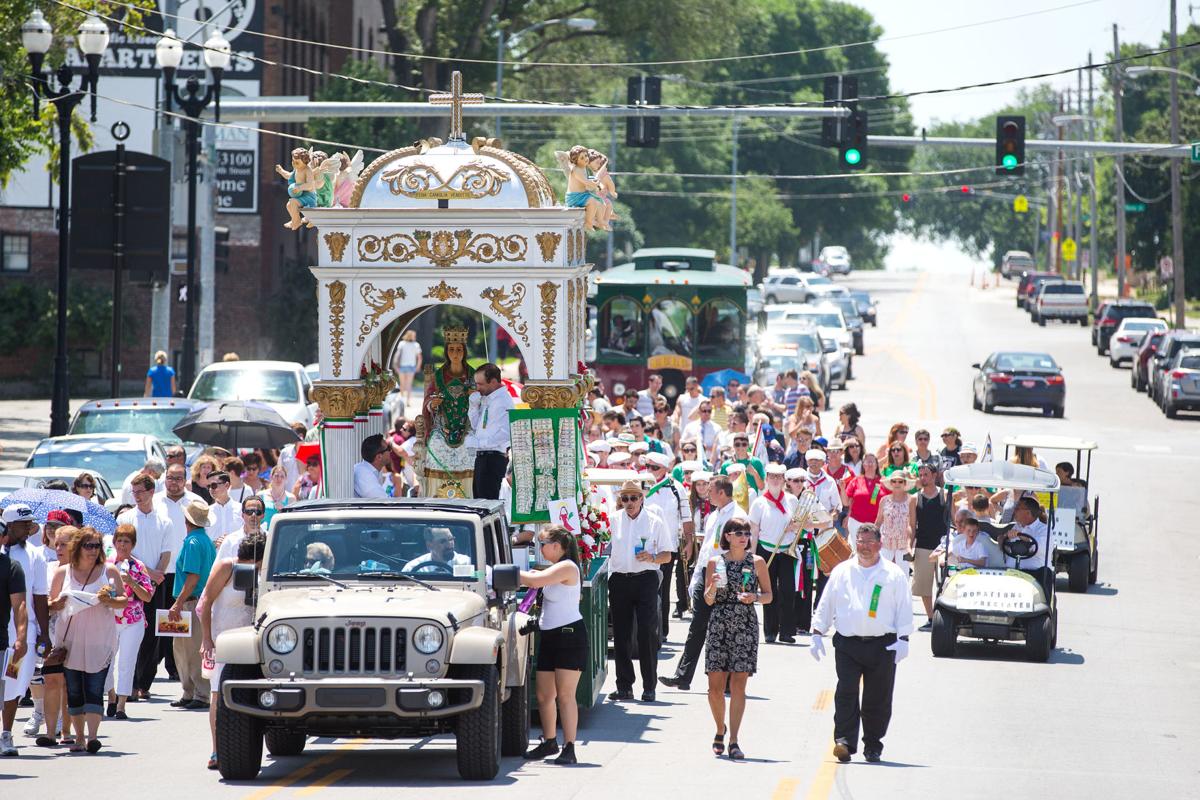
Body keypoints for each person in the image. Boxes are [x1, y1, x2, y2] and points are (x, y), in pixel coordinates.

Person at [810, 523, 913, 764]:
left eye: (869, 542)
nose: (864, 547)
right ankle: (844, 741)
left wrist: (904, 639)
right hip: (848, 643)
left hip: (882, 645)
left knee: (877, 696)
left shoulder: (893, 574)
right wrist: (816, 632)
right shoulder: (842, 571)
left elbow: (904, 607)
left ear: (879, 544)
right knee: (846, 691)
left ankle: (873, 744)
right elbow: (827, 603)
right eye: (860, 541)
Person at [660, 476, 747, 691]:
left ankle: (727, 681)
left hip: (726, 576)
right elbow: (708, 547)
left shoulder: (738, 516)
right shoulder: (713, 515)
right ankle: (683, 676)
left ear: (722, 493)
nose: (707, 493)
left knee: (725, 630)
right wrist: (697, 575)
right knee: (697, 627)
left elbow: (740, 550)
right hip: (706, 573)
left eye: (711, 490)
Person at [47, 526, 127, 753]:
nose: (93, 550)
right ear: (78, 547)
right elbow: (49, 605)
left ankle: (92, 737)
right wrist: (56, 604)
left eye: (97, 546)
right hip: (69, 639)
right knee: (74, 690)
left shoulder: (108, 571)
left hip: (100, 637)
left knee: (94, 687)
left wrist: (109, 600)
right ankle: (79, 737)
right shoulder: (63, 573)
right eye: (88, 545)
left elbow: (123, 600)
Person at [702, 518, 770, 760]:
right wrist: (712, 587)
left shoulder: (757, 562)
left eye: (747, 533)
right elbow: (708, 599)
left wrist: (755, 597)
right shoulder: (715, 561)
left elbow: (769, 595)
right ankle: (720, 728)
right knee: (714, 688)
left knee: (739, 685)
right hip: (720, 622)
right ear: (727, 536)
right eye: (738, 532)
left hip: (745, 624)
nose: (744, 537)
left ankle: (734, 740)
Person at [519, 526, 587, 766]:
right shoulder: (554, 568)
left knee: (565, 695)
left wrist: (498, 570)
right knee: (544, 695)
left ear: (558, 546)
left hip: (569, 637)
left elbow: (535, 580)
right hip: (549, 636)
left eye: (543, 544)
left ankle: (569, 746)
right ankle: (549, 741)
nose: (540, 549)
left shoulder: (567, 567)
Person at [199, 531, 265, 771]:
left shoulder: (264, 574)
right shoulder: (227, 567)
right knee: (218, 693)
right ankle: (217, 749)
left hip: (250, 641)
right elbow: (205, 603)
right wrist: (206, 638)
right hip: (222, 639)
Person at [607, 480, 673, 702]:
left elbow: (668, 554)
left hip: (645, 578)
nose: (629, 503)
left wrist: (652, 558)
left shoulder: (654, 521)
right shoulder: (613, 520)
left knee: (646, 633)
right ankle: (624, 685)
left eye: (633, 498)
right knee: (622, 634)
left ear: (642, 498)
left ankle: (649, 686)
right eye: (625, 498)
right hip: (619, 579)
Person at [121, 472, 176, 702]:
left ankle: (144, 682)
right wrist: (146, 572)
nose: (137, 497)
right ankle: (130, 683)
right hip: (131, 582)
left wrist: (156, 575)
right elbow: (124, 550)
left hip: (156, 582)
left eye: (140, 492)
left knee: (153, 633)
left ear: (152, 491)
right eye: (134, 493)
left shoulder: (164, 521)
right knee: (133, 632)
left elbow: (166, 553)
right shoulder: (126, 519)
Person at [1, 504, 48, 756]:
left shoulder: (35, 555)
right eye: (23, 524)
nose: (29, 528)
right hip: (1, 633)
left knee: (13, 683)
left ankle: (6, 734)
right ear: (9, 527)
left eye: (30, 523)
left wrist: (44, 633)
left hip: (20, 637)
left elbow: (39, 597)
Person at [167, 500, 217, 711]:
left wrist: (178, 603)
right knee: (184, 649)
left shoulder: (193, 542)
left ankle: (200, 693)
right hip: (197, 601)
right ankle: (191, 691)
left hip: (191, 602)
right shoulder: (204, 540)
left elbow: (193, 578)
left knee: (190, 650)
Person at [104, 524, 153, 720]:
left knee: (127, 661)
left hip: (133, 619)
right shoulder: (105, 564)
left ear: (133, 544)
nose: (122, 545)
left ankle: (122, 704)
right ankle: (112, 694)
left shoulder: (138, 566)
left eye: (127, 541)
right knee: (106, 661)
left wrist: (132, 582)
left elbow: (148, 596)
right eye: (119, 540)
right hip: (109, 618)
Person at [643, 452, 691, 640]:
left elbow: (686, 517)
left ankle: (661, 631)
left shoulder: (676, 488)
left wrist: (688, 543)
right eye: (648, 466)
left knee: (663, 589)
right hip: (642, 546)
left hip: (667, 546)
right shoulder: (640, 483)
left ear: (664, 469)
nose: (650, 471)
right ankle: (646, 629)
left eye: (654, 468)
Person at [749, 464, 799, 643]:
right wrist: (752, 557)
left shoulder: (792, 500)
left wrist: (794, 527)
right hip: (766, 550)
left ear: (784, 479)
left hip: (786, 550)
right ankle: (770, 631)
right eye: (772, 476)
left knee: (787, 591)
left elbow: (799, 524)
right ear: (767, 478)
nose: (776, 480)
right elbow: (754, 532)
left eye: (779, 476)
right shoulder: (759, 503)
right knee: (768, 591)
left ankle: (786, 631)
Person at [0, 520, 28, 757]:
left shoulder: (12, 567)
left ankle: (6, 734)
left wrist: (21, 638)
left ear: (4, 538)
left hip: (5, 643)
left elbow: (20, 606)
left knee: (9, 688)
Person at [467, 362, 514, 500]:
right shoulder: (488, 398)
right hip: (483, 458)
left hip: (493, 459)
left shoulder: (503, 400)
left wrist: (480, 443)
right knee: (479, 501)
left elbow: (505, 433)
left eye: (480, 384)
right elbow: (477, 426)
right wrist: (473, 406)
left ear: (493, 382)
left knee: (487, 503)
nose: (477, 388)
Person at [912, 464, 948, 630]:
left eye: (926, 474)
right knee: (924, 586)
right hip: (923, 546)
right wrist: (909, 546)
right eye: (921, 475)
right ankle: (931, 618)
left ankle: (942, 618)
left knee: (943, 584)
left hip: (942, 547)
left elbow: (953, 520)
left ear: (934, 475)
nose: (923, 477)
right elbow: (912, 525)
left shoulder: (945, 495)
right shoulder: (915, 498)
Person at [1003, 496, 1051, 587]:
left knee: (1045, 573)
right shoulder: (1017, 526)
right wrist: (1002, 539)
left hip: (1035, 574)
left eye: (1017, 508)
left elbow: (1038, 547)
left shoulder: (1044, 530)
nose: (1014, 511)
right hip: (1013, 572)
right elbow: (1006, 546)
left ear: (1028, 513)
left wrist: (1020, 536)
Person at [874, 472, 915, 568]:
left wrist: (909, 545)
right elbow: (878, 521)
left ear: (905, 483)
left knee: (903, 575)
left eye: (900, 481)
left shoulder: (911, 500)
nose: (897, 484)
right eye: (894, 481)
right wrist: (873, 539)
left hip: (903, 545)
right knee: (882, 573)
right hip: (885, 543)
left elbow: (912, 525)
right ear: (891, 483)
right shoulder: (884, 500)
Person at [843, 453, 885, 540]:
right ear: (863, 465)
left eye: (872, 462)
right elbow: (846, 502)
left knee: (874, 550)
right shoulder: (856, 481)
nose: (870, 464)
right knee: (857, 550)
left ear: (877, 465)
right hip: (856, 522)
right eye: (867, 461)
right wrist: (842, 488)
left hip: (876, 524)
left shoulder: (883, 483)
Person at [216, 495, 266, 562]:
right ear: (242, 515)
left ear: (263, 515)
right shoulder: (230, 541)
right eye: (249, 512)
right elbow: (219, 570)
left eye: (258, 512)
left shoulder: (270, 539)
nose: (253, 515)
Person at [401, 527, 472, 572]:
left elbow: (481, 577)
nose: (449, 545)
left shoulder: (464, 563)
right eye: (442, 541)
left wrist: (478, 574)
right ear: (429, 545)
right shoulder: (415, 568)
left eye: (451, 539)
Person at [206, 471, 242, 545]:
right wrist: (213, 544)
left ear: (227, 485)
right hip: (214, 555)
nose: (210, 489)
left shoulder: (241, 510)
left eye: (213, 485)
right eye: (208, 486)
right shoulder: (206, 511)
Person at [392, 329, 423, 405]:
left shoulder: (402, 343)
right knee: (409, 385)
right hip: (411, 367)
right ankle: (408, 401)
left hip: (402, 366)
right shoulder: (416, 345)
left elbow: (397, 355)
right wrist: (418, 366)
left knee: (402, 384)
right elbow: (419, 357)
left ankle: (402, 400)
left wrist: (395, 365)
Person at [353, 434, 390, 498]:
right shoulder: (363, 473)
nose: (391, 451)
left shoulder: (368, 469)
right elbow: (383, 501)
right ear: (379, 457)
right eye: (389, 448)